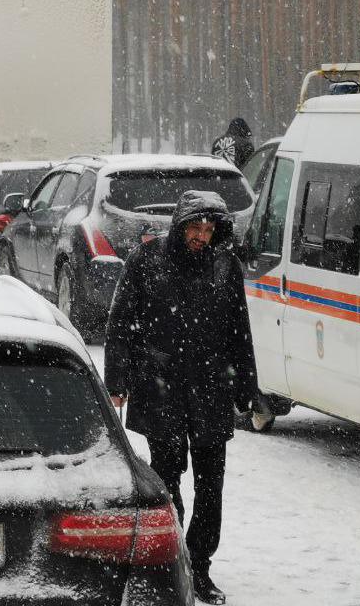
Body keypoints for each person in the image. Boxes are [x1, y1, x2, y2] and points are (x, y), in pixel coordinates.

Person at [104, 190, 256, 605]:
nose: (201, 237)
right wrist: (118, 378)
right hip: (161, 387)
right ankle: (171, 563)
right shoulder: (148, 261)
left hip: (210, 389)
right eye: (195, 227)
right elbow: (121, 323)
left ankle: (200, 564)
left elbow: (239, 331)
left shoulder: (225, 267)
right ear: (180, 225)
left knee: (211, 484)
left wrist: (246, 385)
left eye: (209, 230)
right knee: (167, 479)